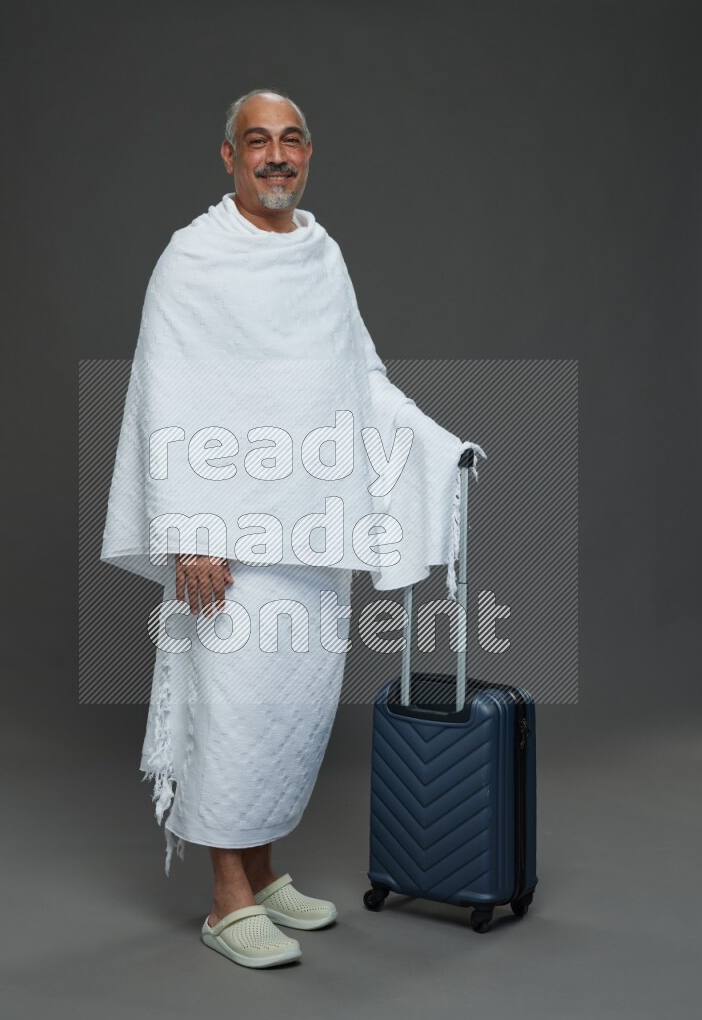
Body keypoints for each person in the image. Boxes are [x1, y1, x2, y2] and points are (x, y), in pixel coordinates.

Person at [100, 87, 485, 968]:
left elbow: (361, 381)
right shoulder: (194, 258)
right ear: (228, 156)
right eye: (257, 141)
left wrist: (439, 448)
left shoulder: (321, 253)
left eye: (293, 139)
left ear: (309, 153)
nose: (277, 155)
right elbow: (170, 390)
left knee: (290, 710)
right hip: (228, 540)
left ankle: (264, 870)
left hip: (318, 528)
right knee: (233, 709)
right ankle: (224, 897)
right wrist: (191, 527)